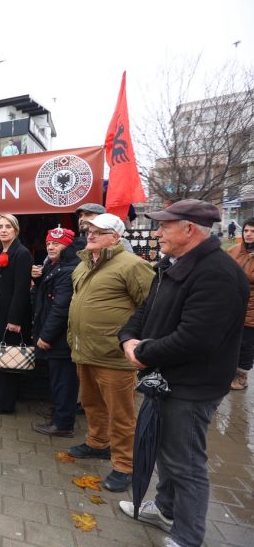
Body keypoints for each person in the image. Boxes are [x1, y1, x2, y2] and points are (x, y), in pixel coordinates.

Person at [118, 199, 247, 547]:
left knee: (186, 462)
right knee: (166, 450)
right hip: (164, 378)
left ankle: (188, 537)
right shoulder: (173, 264)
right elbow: (146, 310)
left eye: (164, 225)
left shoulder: (217, 273)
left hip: (192, 385)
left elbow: (196, 339)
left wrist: (141, 354)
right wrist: (128, 338)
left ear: (189, 229)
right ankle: (164, 509)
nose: (157, 232)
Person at [67, 213, 154, 492]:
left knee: (121, 414)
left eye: (98, 232)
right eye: (88, 230)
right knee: (91, 403)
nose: (90, 235)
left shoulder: (132, 265)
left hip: (114, 356)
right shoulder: (82, 264)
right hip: (85, 350)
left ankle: (124, 466)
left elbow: (151, 307)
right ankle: (97, 443)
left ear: (115, 237)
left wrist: (139, 344)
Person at [31, 228, 80, 436]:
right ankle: (60, 416)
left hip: (60, 339)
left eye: (57, 244)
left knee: (64, 381)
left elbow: (61, 308)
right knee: (58, 379)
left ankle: (63, 424)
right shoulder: (53, 266)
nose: (51, 247)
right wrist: (39, 279)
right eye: (49, 243)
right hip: (54, 336)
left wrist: (46, 336)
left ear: (67, 246)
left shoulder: (68, 270)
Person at [0, 214, 33, 414]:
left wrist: (14, 320)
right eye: (0, 227)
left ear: (16, 230)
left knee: (9, 359)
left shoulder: (22, 253)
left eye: (8, 227)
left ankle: (6, 403)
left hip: (9, 316)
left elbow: (21, 290)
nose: (3, 230)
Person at [227, 217, 254, 390]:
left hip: (252, 308)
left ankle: (241, 375)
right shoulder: (233, 250)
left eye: (252, 231)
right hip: (232, 305)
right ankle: (226, 371)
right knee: (229, 340)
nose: (249, 234)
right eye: (246, 231)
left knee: (246, 344)